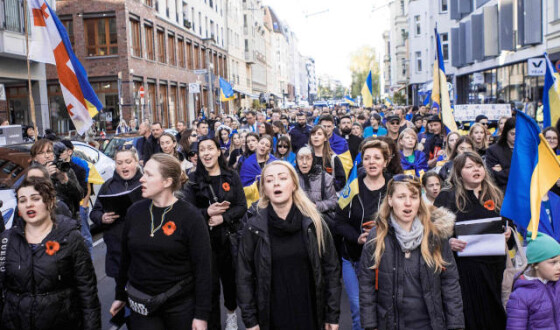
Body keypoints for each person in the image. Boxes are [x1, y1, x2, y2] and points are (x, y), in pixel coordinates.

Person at [110, 154, 212, 330]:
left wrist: (201, 315)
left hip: (179, 307)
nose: (142, 178)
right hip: (141, 306)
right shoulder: (135, 212)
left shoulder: (191, 217)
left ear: (166, 182)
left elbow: (203, 269)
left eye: (149, 175)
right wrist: (120, 295)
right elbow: (126, 259)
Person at [237, 160, 341, 330]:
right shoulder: (253, 228)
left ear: (294, 184)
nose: (276, 183)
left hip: (310, 314)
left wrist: (332, 314)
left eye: (282, 178)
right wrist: (250, 321)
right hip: (272, 317)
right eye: (269, 180)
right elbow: (244, 277)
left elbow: (331, 271)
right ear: (264, 189)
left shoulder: (314, 224)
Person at [359, 174, 464, 330]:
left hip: (429, 324)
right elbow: (366, 286)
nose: (408, 203)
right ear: (390, 200)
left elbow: (450, 283)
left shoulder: (435, 235)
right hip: (390, 324)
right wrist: (370, 325)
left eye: (414, 197)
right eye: (401, 197)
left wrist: (455, 326)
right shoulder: (377, 237)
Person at [0, 177, 101, 329]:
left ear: (50, 202)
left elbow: (88, 294)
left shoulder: (70, 238)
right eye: (22, 200)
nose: (29, 204)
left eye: (35, 198)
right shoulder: (7, 240)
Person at [434, 152, 512, 330]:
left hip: (495, 269)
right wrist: (449, 243)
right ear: (459, 173)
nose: (476, 169)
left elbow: (508, 225)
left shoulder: (496, 195)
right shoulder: (447, 197)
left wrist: (508, 234)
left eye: (478, 165)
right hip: (465, 272)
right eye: (469, 167)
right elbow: (432, 235)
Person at [182, 137, 247, 330]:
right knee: (207, 286)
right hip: (203, 242)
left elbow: (241, 206)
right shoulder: (192, 180)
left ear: (219, 151)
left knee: (230, 281)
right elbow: (188, 212)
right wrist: (207, 213)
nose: (206, 153)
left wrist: (223, 218)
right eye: (202, 150)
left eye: (211, 148)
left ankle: (231, 315)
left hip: (228, 239)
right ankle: (211, 323)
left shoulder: (231, 175)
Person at [334, 140, 390, 330]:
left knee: (385, 311)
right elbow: (338, 222)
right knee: (359, 311)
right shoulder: (353, 187)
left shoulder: (394, 187)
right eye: (367, 158)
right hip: (353, 257)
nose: (371, 162)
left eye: (376, 158)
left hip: (387, 259)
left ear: (385, 161)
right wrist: (356, 237)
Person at [90, 144, 143, 281]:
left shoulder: (146, 183)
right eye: (119, 163)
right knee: (121, 292)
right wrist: (102, 218)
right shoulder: (108, 185)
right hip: (116, 249)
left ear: (136, 162)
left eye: (128, 162)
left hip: (141, 250)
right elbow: (95, 212)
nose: (124, 167)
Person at [506, 232, 560, 329]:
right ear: (535, 264)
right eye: (553, 262)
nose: (559, 267)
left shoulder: (557, 284)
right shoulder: (520, 296)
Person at [30, 139, 83, 218]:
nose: (47, 156)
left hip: (68, 220)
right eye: (41, 153)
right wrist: (44, 176)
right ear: (35, 158)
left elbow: (79, 196)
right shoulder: (32, 174)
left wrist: (66, 181)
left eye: (49, 152)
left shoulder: (65, 169)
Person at [295, 146, 338, 219]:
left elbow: (334, 202)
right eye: (301, 158)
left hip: (319, 218)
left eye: (308, 158)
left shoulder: (325, 178)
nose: (304, 162)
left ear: (313, 160)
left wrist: (316, 206)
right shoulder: (292, 178)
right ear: (296, 161)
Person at [309, 125, 346, 191]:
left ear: (325, 138)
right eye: (313, 134)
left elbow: (341, 181)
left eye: (319, 134)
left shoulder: (333, 159)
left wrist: (330, 186)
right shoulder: (306, 157)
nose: (316, 136)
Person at [485, 117, 516, 192]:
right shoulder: (493, 150)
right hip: (504, 193)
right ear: (506, 133)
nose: (516, 137)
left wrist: (505, 170)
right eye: (513, 134)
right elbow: (494, 176)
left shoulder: (527, 150)